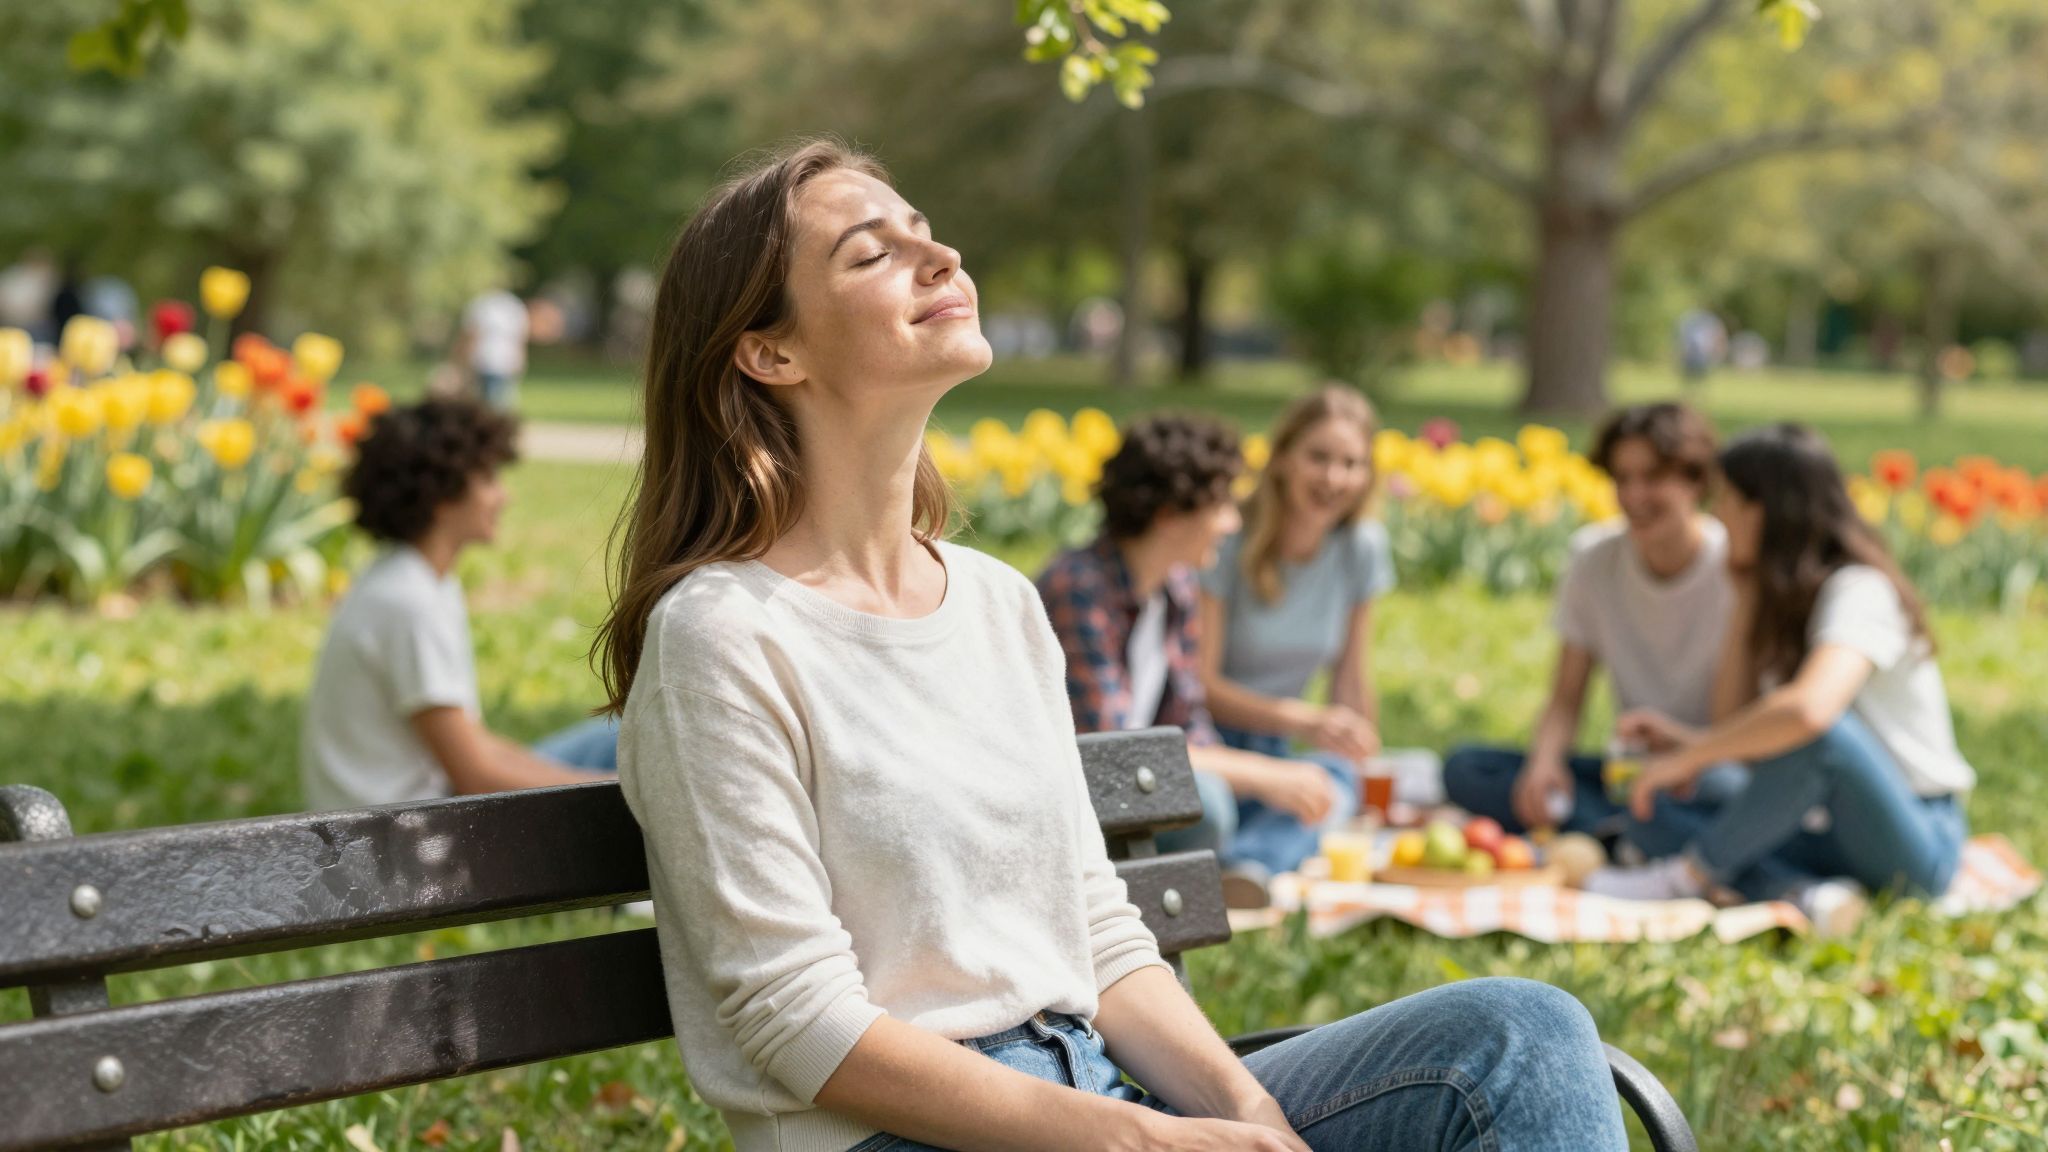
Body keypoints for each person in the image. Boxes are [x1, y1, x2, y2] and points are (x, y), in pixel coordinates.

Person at [598, 137, 1626, 1152]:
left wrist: (1249, 1117)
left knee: (1520, 1037)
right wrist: (1133, 1141)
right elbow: (795, 1024)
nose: (940, 257)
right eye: (872, 254)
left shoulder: (997, 604)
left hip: (1095, 1087)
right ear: (770, 351)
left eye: (925, 232)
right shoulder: (725, 637)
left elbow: (1093, 925)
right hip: (903, 1133)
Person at [1584, 424, 1974, 935]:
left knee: (1824, 736)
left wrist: (1689, 755)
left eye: (1728, 498)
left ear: (1765, 508)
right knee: (1652, 814)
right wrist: (1743, 601)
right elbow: (1735, 725)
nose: (1718, 513)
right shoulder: (1783, 598)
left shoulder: (1860, 591)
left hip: (1918, 839)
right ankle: (1805, 894)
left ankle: (1692, 875)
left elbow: (1809, 713)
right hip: (1826, 829)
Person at [1037, 413, 1359, 908]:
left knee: (1330, 779)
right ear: (1169, 514)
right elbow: (1114, 754)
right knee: (1207, 803)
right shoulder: (1079, 589)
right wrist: (1259, 776)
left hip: (1144, 790)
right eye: (1222, 504)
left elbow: (1188, 723)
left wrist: (1271, 777)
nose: (1232, 523)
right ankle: (1167, 893)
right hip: (1072, 807)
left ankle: (1244, 867)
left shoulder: (1175, 589)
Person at [1443, 403, 1744, 859]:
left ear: (1695, 481)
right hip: (1630, 775)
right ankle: (1625, 838)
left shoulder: (1734, 569)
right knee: (1467, 768)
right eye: (1622, 479)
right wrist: (1545, 763)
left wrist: (1686, 754)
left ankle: (1614, 835)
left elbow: (1744, 726)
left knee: (1724, 792)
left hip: (1705, 770)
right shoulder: (1594, 559)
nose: (1634, 495)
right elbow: (1566, 698)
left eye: (1652, 478)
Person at [300, 397, 616, 812]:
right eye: (487, 479)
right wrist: (612, 790)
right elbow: (476, 776)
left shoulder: (415, 579)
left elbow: (473, 742)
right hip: (415, 841)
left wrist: (596, 781)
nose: (503, 497)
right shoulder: (408, 604)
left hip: (430, 809)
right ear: (441, 493)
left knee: (632, 739)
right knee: (633, 752)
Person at [1196, 385, 1393, 783]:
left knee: (1337, 782)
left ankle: (1260, 844)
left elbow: (1351, 679)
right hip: (1208, 740)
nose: (1334, 478)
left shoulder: (1361, 546)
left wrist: (1359, 758)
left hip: (1280, 742)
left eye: (1352, 463)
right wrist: (1304, 721)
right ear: (1283, 458)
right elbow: (1201, 685)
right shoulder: (1227, 539)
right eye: (1318, 457)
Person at [455, 285, 530, 410]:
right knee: (497, 397)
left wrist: (463, 357)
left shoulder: (481, 305)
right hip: (503, 359)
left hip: (486, 359)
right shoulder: (514, 306)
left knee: (488, 399)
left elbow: (472, 334)